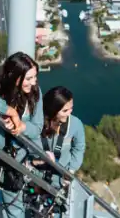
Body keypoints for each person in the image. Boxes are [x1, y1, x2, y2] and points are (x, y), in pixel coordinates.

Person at [0, 52, 43, 218]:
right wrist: (9, 111)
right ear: (15, 77)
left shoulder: (35, 94)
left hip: (15, 160)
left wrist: (22, 127)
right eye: (29, 78)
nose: (33, 82)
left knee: (15, 211)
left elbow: (37, 128)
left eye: (35, 77)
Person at [30, 86, 86, 217]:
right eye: (65, 110)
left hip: (60, 181)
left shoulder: (75, 125)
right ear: (53, 109)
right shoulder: (37, 123)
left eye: (71, 108)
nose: (69, 113)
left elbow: (79, 148)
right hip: (35, 178)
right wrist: (34, 161)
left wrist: (71, 171)